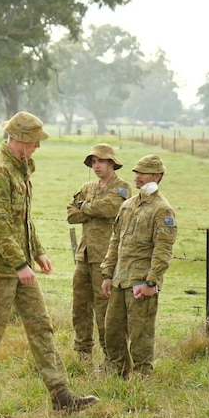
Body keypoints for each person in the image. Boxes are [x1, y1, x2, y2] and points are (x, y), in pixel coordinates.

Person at [0, 111, 99, 412]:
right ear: (20, 140)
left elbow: (22, 221)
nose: (38, 147)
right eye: (34, 141)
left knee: (41, 327)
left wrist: (37, 252)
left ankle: (62, 397)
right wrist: (21, 264)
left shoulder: (19, 169)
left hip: (20, 267)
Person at [101, 155, 176, 378]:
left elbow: (163, 250)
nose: (137, 176)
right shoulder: (127, 205)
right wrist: (107, 273)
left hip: (141, 282)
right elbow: (115, 242)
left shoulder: (162, 210)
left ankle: (143, 377)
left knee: (140, 332)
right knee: (112, 330)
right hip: (119, 279)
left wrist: (151, 281)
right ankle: (118, 373)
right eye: (136, 172)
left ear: (157, 176)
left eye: (143, 172)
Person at [66, 144, 132, 367]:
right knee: (80, 305)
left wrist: (85, 207)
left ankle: (110, 357)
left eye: (101, 161)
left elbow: (111, 209)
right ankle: (83, 352)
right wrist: (89, 208)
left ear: (112, 163)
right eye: (93, 162)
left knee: (105, 309)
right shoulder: (87, 186)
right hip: (83, 255)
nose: (96, 166)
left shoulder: (122, 188)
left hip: (106, 258)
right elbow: (70, 214)